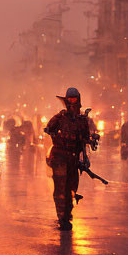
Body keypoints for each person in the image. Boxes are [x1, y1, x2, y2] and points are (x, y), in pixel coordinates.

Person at [44, 87, 99, 230]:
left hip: (73, 159)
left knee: (72, 188)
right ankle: (62, 217)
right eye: (70, 99)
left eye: (74, 98)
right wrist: (57, 136)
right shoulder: (60, 117)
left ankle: (67, 213)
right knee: (60, 189)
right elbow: (48, 129)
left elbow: (86, 138)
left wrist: (91, 140)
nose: (72, 101)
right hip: (60, 157)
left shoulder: (82, 120)